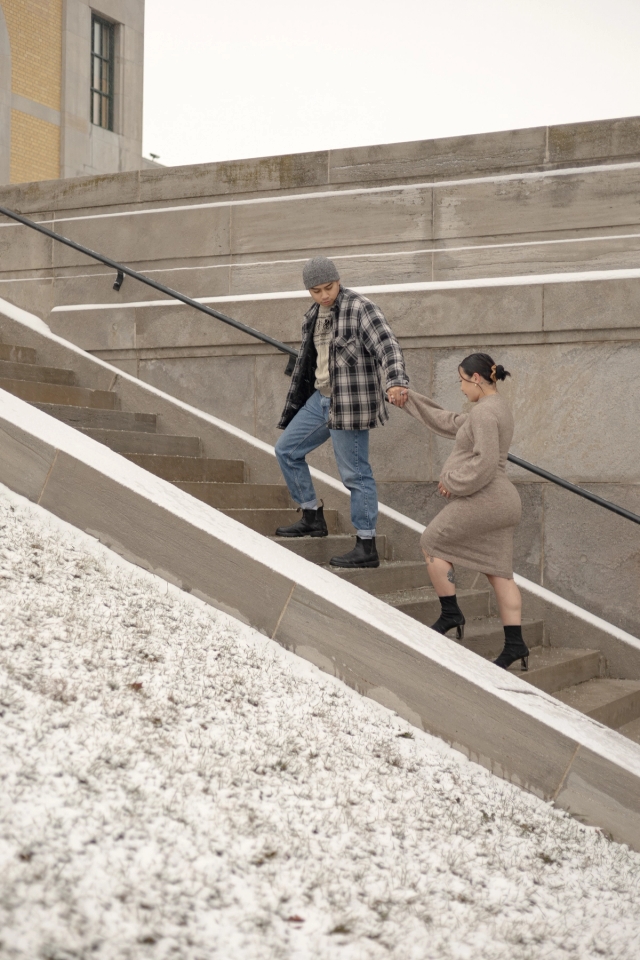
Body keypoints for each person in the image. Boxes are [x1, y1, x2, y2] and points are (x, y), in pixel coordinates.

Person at [391, 353, 528, 671]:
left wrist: (454, 483)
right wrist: (410, 399)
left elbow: (484, 461)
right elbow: (448, 421)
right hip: (504, 502)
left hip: (488, 498)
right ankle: (516, 645)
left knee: (432, 542)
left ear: (477, 379)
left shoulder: (483, 414)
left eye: (462, 381)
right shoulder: (497, 408)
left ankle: (451, 612)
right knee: (499, 573)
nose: (462, 388)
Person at [274, 256, 409, 569]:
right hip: (320, 400)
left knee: (356, 473)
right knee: (287, 450)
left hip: (349, 403)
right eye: (316, 290)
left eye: (329, 287)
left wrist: (396, 382)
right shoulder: (313, 315)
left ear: (338, 280)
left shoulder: (360, 308)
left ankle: (366, 543)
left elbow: (388, 347)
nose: (324, 295)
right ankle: (310, 516)